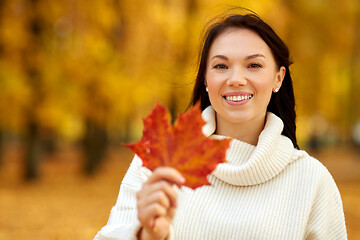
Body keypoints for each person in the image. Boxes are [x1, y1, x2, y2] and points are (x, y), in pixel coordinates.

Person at [94, 12, 347, 240]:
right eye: (221, 66)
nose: (236, 79)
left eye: (254, 65)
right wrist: (147, 236)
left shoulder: (312, 181)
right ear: (205, 77)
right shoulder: (158, 161)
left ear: (278, 78)